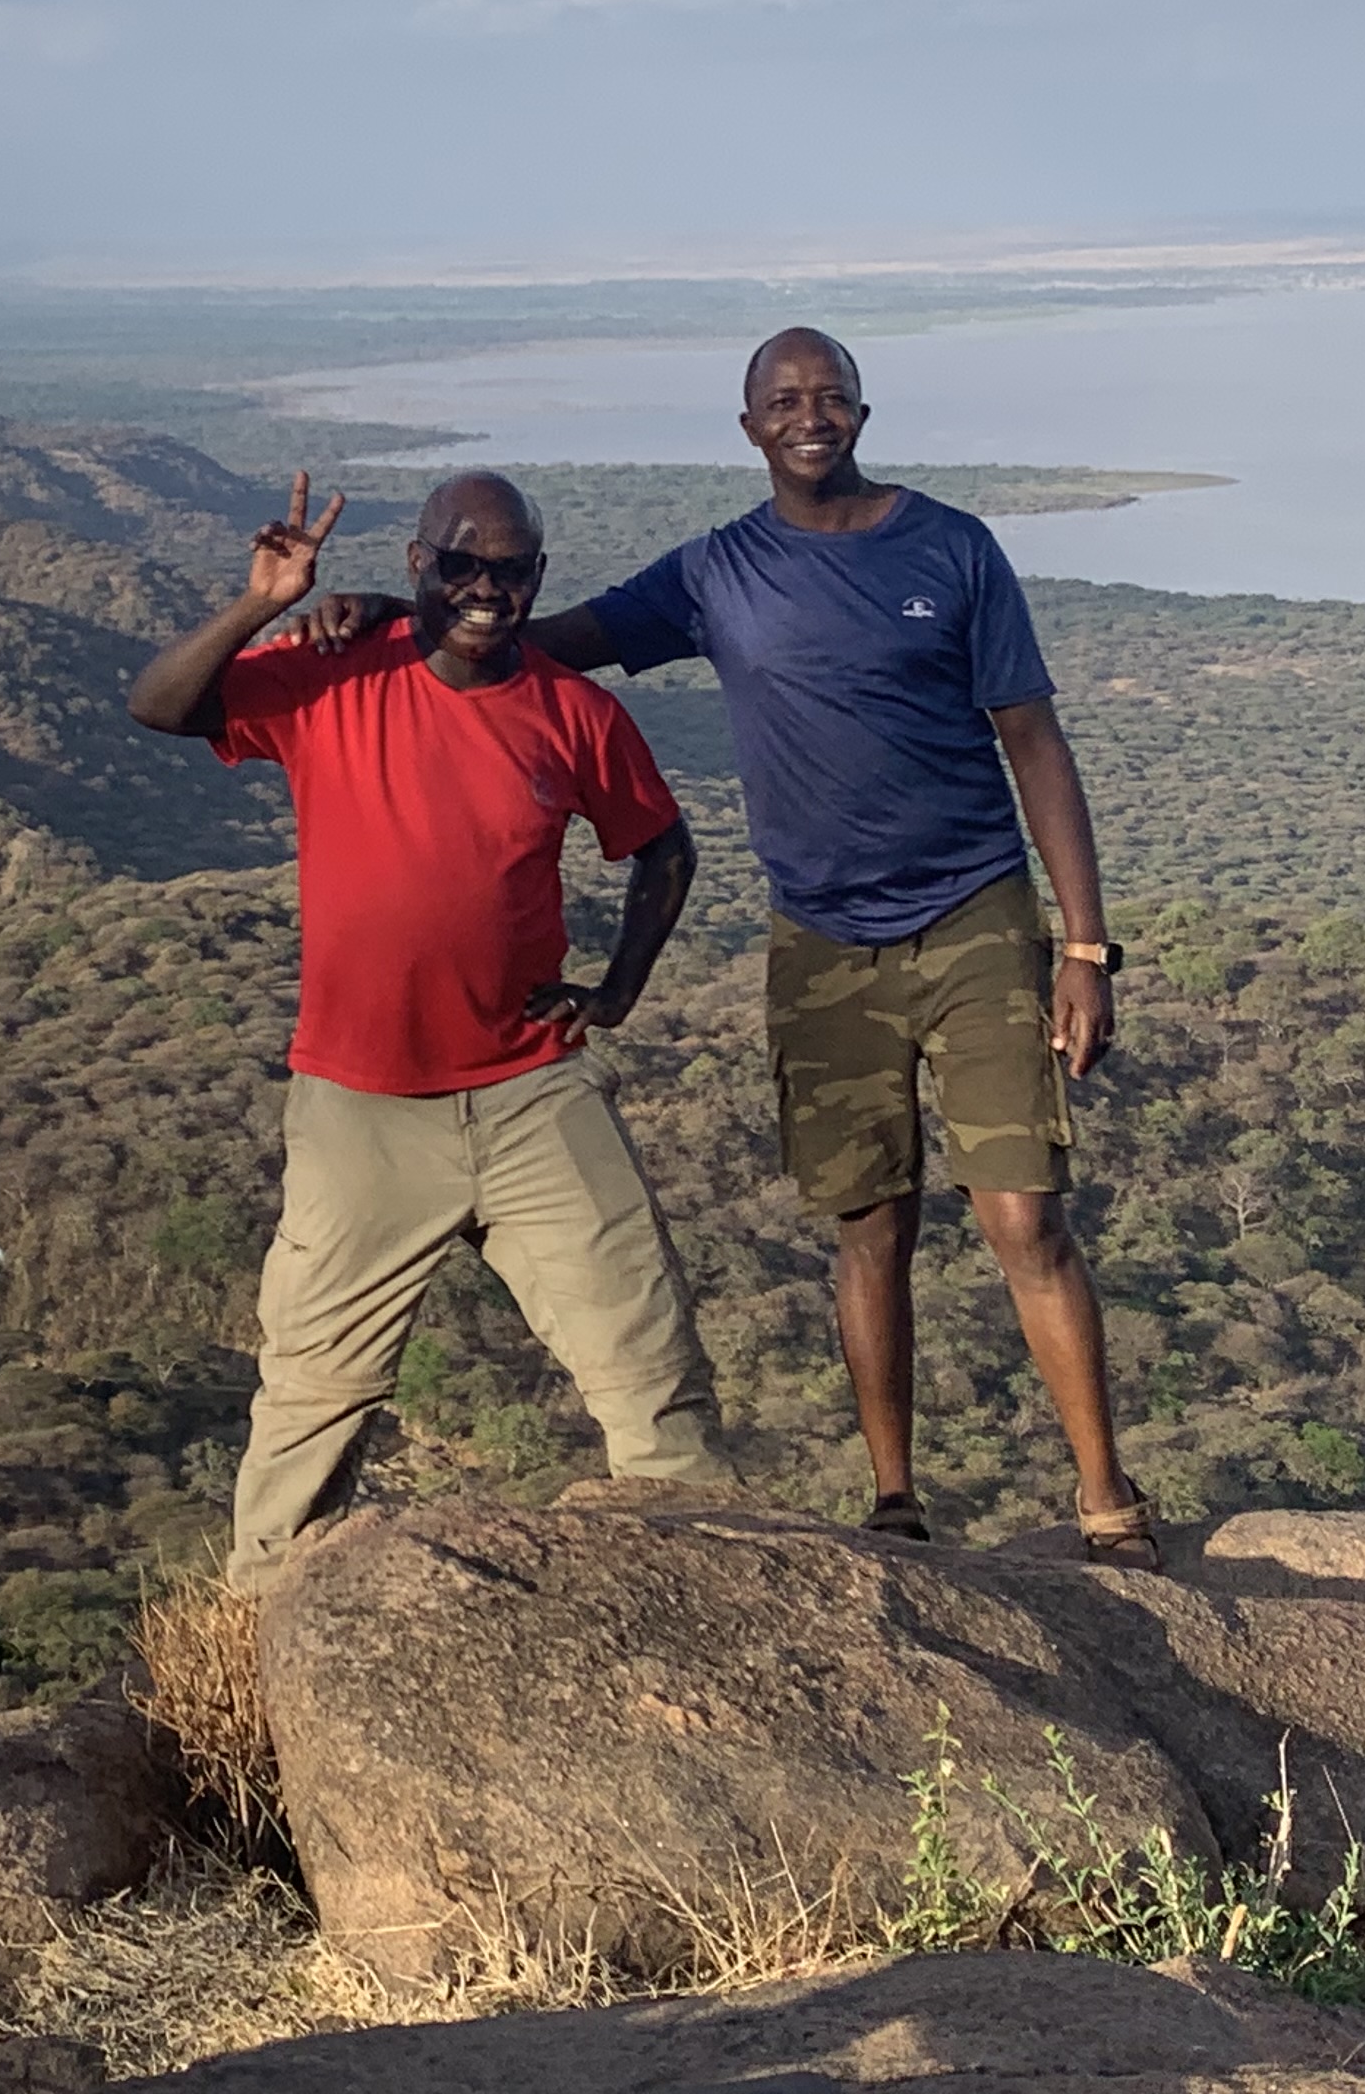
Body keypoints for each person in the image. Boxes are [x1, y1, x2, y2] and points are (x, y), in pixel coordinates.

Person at [302, 330, 1151, 1564]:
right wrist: (406, 609)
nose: (811, 418)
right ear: (749, 427)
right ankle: (896, 1500)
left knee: (1023, 1216)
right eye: (784, 402)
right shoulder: (716, 573)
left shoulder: (953, 548)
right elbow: (539, 636)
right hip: (820, 937)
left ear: (862, 411)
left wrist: (1084, 947)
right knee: (870, 1223)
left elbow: (1035, 743)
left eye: (831, 398)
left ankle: (1109, 1503)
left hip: (973, 911)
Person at [127, 467, 724, 1591]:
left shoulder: (574, 710)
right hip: (362, 1107)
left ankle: (701, 1602)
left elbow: (666, 847)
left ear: (538, 578)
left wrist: (618, 990)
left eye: (510, 570)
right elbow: (159, 706)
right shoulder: (328, 674)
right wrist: (265, 602)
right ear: (419, 563)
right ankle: (257, 1640)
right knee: (312, 1399)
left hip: (531, 1091)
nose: (485, 589)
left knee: (650, 1366)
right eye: (461, 564)